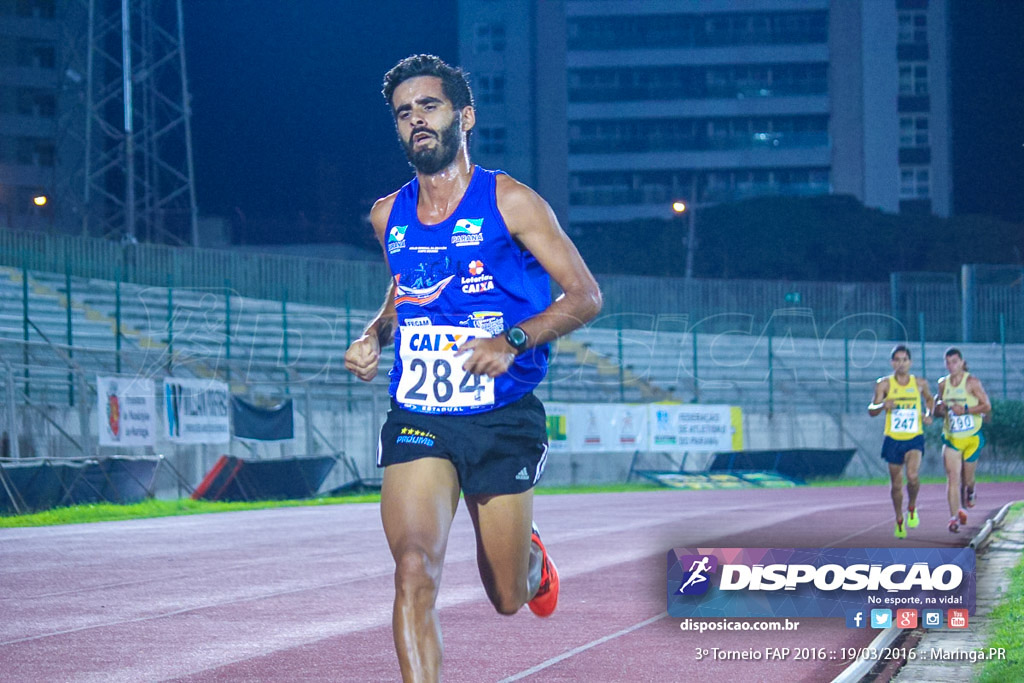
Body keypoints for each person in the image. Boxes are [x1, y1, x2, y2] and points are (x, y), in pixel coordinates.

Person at [344, 54, 602, 682]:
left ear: (465, 117)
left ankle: (533, 563)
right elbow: (407, 292)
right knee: (413, 568)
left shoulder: (511, 201)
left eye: (428, 107)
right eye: (404, 113)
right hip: (421, 415)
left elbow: (585, 296)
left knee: (508, 597)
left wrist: (513, 338)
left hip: (501, 416)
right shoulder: (388, 215)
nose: (416, 121)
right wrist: (374, 331)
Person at [868, 344, 934, 538]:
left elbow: (930, 400)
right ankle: (899, 519)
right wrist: (882, 404)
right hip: (893, 439)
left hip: (914, 436)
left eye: (905, 360)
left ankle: (912, 507)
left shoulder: (920, 383)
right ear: (892, 363)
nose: (901, 364)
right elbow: (871, 410)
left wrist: (928, 414)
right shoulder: (884, 384)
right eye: (897, 360)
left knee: (912, 476)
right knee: (896, 485)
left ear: (910, 362)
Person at [933, 347, 991, 533]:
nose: (951, 366)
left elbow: (986, 406)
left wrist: (965, 410)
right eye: (948, 362)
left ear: (962, 363)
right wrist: (940, 408)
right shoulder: (943, 384)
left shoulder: (972, 383)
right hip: (952, 438)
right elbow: (938, 411)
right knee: (953, 478)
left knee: (968, 479)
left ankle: (971, 491)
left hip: (972, 438)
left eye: (955, 362)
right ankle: (953, 518)